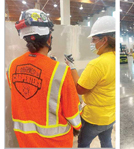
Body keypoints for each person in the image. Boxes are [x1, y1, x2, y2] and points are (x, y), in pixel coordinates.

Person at [6, 9, 81, 147]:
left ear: (25, 38)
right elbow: (72, 114)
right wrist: (78, 126)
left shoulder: (11, 66)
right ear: (49, 37)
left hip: (26, 141)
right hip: (56, 142)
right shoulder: (60, 70)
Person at [65, 16, 116, 147]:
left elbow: (80, 88)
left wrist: (71, 67)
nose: (92, 43)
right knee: (106, 142)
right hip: (111, 115)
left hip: (94, 118)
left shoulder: (97, 64)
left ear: (104, 40)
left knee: (83, 144)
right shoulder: (115, 58)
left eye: (94, 40)